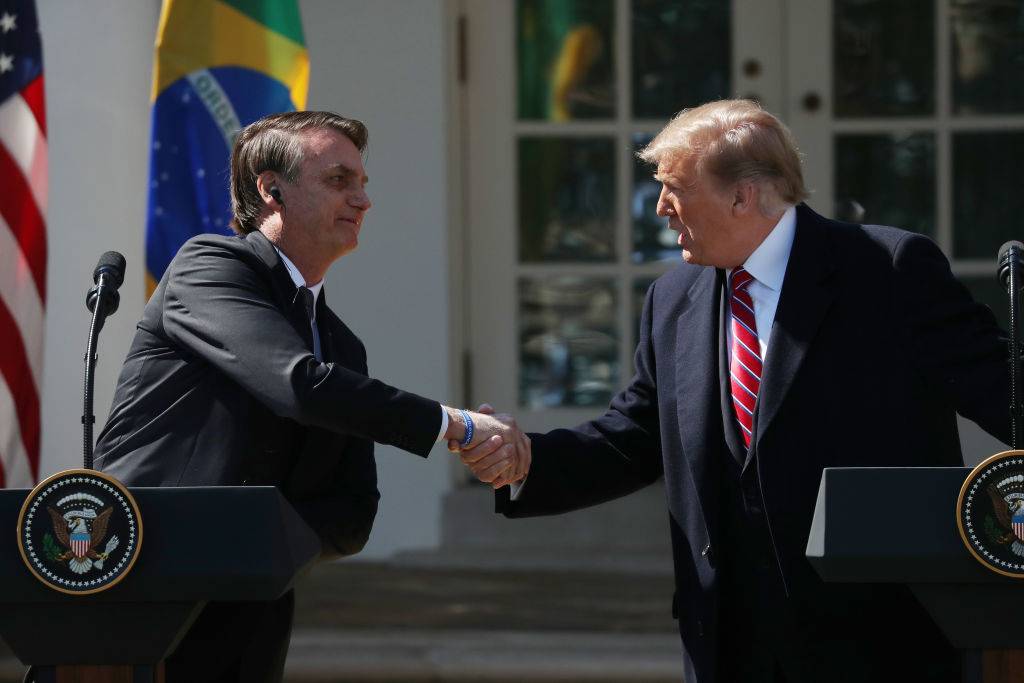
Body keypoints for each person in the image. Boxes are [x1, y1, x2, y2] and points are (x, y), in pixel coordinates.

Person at [459, 99, 1012, 683]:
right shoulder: (673, 299)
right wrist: (525, 460)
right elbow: (633, 438)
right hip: (729, 642)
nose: (661, 208)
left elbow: (1003, 392)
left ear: (742, 196)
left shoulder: (886, 269)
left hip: (876, 639)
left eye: (674, 187)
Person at [93, 110, 529, 683]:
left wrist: (251, 543)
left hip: (251, 623)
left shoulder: (343, 347)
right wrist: (459, 427)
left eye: (362, 182)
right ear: (270, 190)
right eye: (338, 180)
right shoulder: (210, 267)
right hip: (140, 597)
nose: (363, 200)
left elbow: (353, 514)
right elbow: (297, 385)